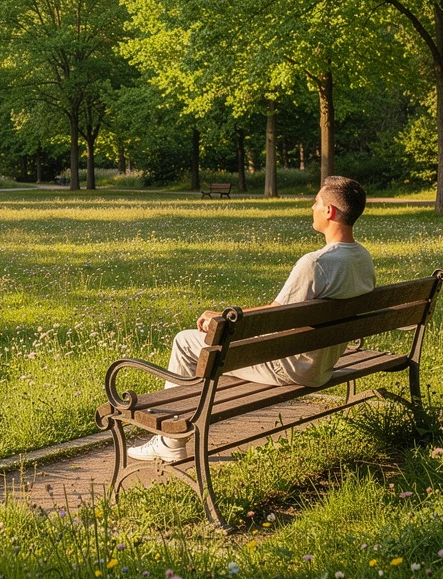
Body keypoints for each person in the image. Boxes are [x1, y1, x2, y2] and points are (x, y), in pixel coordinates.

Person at [127, 176, 375, 462]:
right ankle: (175, 434)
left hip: (294, 367)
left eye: (316, 202)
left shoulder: (316, 263)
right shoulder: (363, 258)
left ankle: (171, 441)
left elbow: (275, 314)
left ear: (329, 211)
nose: (312, 207)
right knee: (210, 345)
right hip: (323, 364)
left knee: (185, 341)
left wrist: (221, 318)